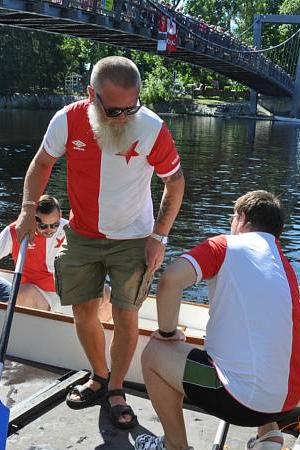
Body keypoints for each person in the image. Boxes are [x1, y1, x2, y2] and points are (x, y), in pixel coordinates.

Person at [15, 56, 185, 429]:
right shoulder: (68, 119)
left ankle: (117, 389)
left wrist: (159, 236)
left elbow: (175, 182)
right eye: (113, 110)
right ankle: (99, 374)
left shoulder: (152, 127)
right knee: (83, 311)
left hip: (134, 238)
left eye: (131, 108)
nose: (123, 118)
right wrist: (29, 208)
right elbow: (42, 163)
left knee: (126, 315)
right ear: (91, 95)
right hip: (83, 233)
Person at [134, 191, 300, 450]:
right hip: (290, 399)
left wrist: (168, 333)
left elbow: (169, 281)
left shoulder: (224, 246)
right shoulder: (284, 265)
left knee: (154, 353)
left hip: (241, 404)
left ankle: (175, 448)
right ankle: (269, 434)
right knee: (262, 343)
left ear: (241, 219)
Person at [0, 195, 112, 319]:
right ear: (32, 218)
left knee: (108, 296)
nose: (49, 230)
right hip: (38, 296)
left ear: (59, 216)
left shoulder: (70, 230)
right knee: (22, 293)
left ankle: (96, 341)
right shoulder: (16, 231)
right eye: (43, 226)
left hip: (70, 291)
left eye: (54, 225)